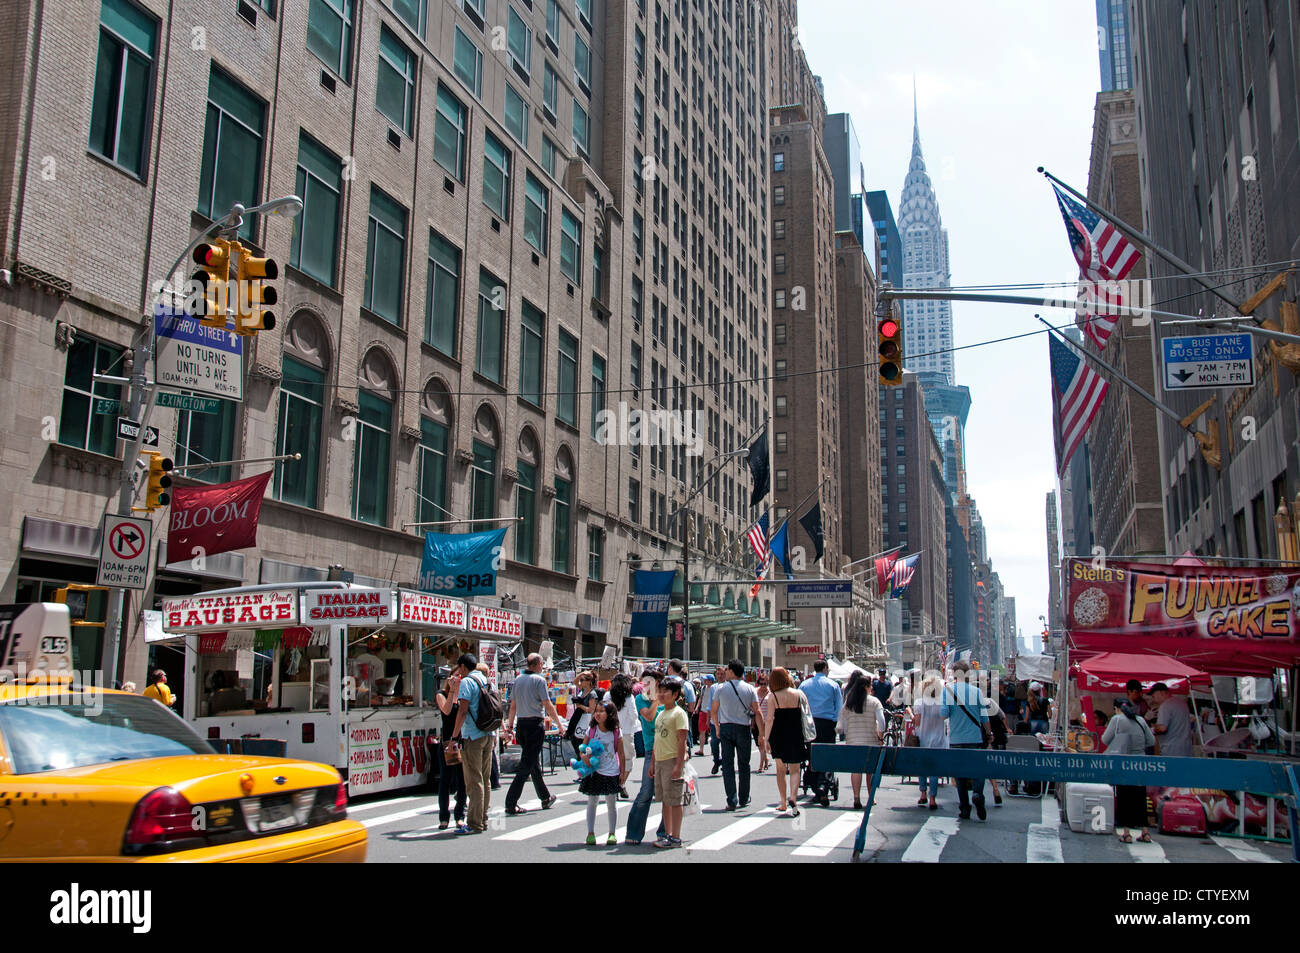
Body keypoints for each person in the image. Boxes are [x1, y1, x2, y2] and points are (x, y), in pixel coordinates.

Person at [503, 653, 561, 815]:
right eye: (541, 664)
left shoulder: (517, 680)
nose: (542, 667)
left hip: (521, 724)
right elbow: (547, 704)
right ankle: (510, 802)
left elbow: (513, 706)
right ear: (537, 664)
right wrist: (558, 725)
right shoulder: (539, 680)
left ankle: (545, 797)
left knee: (532, 761)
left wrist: (510, 725)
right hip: (535, 724)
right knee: (526, 764)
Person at [711, 658, 765, 811]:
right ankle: (744, 796)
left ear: (732, 671)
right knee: (744, 764)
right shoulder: (749, 689)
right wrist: (761, 734)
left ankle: (731, 799)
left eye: (727, 670)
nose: (725, 672)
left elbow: (714, 711)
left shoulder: (720, 689)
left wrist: (716, 727)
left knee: (727, 765)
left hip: (726, 727)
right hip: (743, 728)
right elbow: (758, 712)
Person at [941, 660, 990, 821]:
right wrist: (988, 734)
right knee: (978, 770)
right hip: (975, 738)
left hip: (956, 739)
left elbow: (944, 714)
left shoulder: (947, 691)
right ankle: (977, 792)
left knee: (959, 773)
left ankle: (964, 807)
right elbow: (984, 718)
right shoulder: (977, 692)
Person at [1101, 699, 1156, 843]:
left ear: (1116, 708)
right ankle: (1145, 832)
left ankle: (1126, 833)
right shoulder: (1141, 720)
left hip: (1123, 763)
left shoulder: (1117, 719)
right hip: (1140, 764)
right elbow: (1151, 741)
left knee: (1124, 796)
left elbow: (1105, 739)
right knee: (1140, 797)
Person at [451, 652, 494, 834]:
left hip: (472, 735)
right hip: (488, 732)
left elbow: (462, 710)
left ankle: (474, 823)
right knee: (485, 779)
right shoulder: (486, 679)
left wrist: (454, 737)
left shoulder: (468, 682)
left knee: (474, 780)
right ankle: (482, 819)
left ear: (462, 667)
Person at [625, 669, 666, 845]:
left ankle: (665, 832)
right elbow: (648, 717)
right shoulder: (641, 699)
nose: (646, 685)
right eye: (644, 682)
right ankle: (634, 832)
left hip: (668, 749)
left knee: (668, 794)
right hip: (651, 749)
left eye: (650, 682)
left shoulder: (667, 697)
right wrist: (657, 700)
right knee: (646, 791)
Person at [836, 670, 885, 810]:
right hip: (870, 741)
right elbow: (881, 723)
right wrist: (880, 736)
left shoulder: (849, 702)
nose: (872, 688)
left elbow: (841, 724)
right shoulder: (874, 702)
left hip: (853, 741)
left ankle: (856, 797)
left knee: (856, 770)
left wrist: (848, 731)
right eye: (870, 686)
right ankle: (871, 796)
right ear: (866, 687)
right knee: (870, 770)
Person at [763, 666, 808, 816]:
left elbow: (769, 719)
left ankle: (783, 802)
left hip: (778, 734)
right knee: (795, 769)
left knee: (781, 769)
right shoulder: (799, 693)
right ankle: (793, 797)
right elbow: (806, 714)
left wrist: (766, 738)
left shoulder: (773, 696)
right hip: (795, 733)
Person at [653, 676, 691, 849]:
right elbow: (656, 739)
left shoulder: (679, 713)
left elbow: (682, 740)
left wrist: (678, 765)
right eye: (660, 691)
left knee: (675, 800)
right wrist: (653, 763)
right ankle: (667, 834)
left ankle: (676, 837)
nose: (661, 694)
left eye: (665, 691)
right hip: (660, 761)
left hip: (672, 759)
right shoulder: (661, 713)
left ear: (675, 694)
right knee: (665, 800)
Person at [580, 700, 625, 845]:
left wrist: (622, 772)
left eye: (601, 711)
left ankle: (612, 833)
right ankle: (590, 833)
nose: (597, 714)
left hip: (611, 771)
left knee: (611, 802)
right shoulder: (591, 730)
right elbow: (582, 748)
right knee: (592, 801)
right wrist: (584, 757)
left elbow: (622, 754)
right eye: (596, 711)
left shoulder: (616, 731)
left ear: (610, 714)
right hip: (594, 771)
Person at [800, 659, 844, 806]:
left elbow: (800, 706)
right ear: (825, 668)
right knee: (826, 754)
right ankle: (822, 784)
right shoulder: (833, 685)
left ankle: (813, 782)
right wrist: (838, 725)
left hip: (810, 723)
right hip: (827, 723)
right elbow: (839, 707)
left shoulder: (804, 685)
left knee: (812, 753)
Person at [432, 670, 467, 831]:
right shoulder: (442, 694)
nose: (458, 679)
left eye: (460, 677)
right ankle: (443, 817)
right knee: (445, 781)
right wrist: (452, 690)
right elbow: (446, 711)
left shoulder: (464, 694)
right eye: (455, 676)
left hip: (461, 740)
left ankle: (460, 815)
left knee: (462, 781)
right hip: (446, 742)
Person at [912, 675, 948, 809]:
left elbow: (917, 721)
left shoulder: (919, 702)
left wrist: (911, 714)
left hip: (923, 738)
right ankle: (933, 798)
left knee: (922, 767)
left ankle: (923, 794)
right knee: (934, 769)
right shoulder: (941, 703)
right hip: (938, 739)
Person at [605, 673, 639, 798]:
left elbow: (603, 713)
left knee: (612, 759)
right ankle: (622, 783)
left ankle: (616, 784)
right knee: (628, 759)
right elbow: (634, 715)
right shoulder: (629, 698)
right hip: (626, 732)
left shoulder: (607, 696)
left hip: (610, 732)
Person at [1150, 682, 1193, 756]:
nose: (1152, 697)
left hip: (1171, 750)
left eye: (1153, 694)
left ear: (1161, 693)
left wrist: (1151, 730)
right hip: (1187, 748)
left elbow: (1162, 728)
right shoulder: (1182, 703)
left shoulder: (1165, 706)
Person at [567, 672, 599, 759]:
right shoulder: (583, 691)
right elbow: (575, 681)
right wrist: (581, 673)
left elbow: (592, 710)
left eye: (583, 680)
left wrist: (580, 706)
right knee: (577, 740)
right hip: (580, 720)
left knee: (585, 742)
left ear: (589, 681)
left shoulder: (592, 694)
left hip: (587, 720)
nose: (581, 682)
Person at [755, 673, 772, 771]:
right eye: (761, 683)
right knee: (760, 743)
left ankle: (761, 765)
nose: (763, 686)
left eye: (765, 684)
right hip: (757, 720)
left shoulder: (770, 693)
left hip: (767, 721)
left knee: (764, 742)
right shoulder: (755, 691)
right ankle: (765, 759)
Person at [695, 675, 715, 757]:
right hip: (703, 711)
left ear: (710, 681)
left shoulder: (714, 689)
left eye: (706, 680)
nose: (705, 681)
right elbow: (700, 699)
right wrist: (697, 708)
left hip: (712, 713)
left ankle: (713, 750)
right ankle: (701, 749)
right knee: (702, 731)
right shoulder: (703, 688)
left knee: (713, 732)